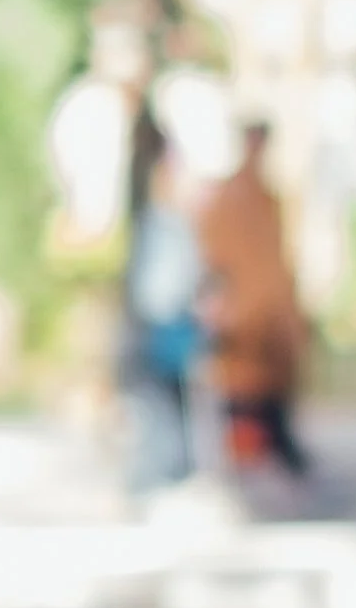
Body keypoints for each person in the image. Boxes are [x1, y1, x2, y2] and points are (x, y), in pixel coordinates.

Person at [198, 117, 310, 478]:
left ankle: (274, 458)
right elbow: (213, 257)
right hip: (241, 313)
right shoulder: (228, 197)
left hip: (270, 312)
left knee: (270, 395)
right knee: (242, 396)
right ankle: (248, 464)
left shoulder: (269, 197)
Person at [118, 109, 205, 493]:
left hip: (166, 311)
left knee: (168, 391)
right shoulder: (156, 213)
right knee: (160, 393)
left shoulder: (167, 212)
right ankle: (166, 465)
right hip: (160, 309)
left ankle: (172, 465)